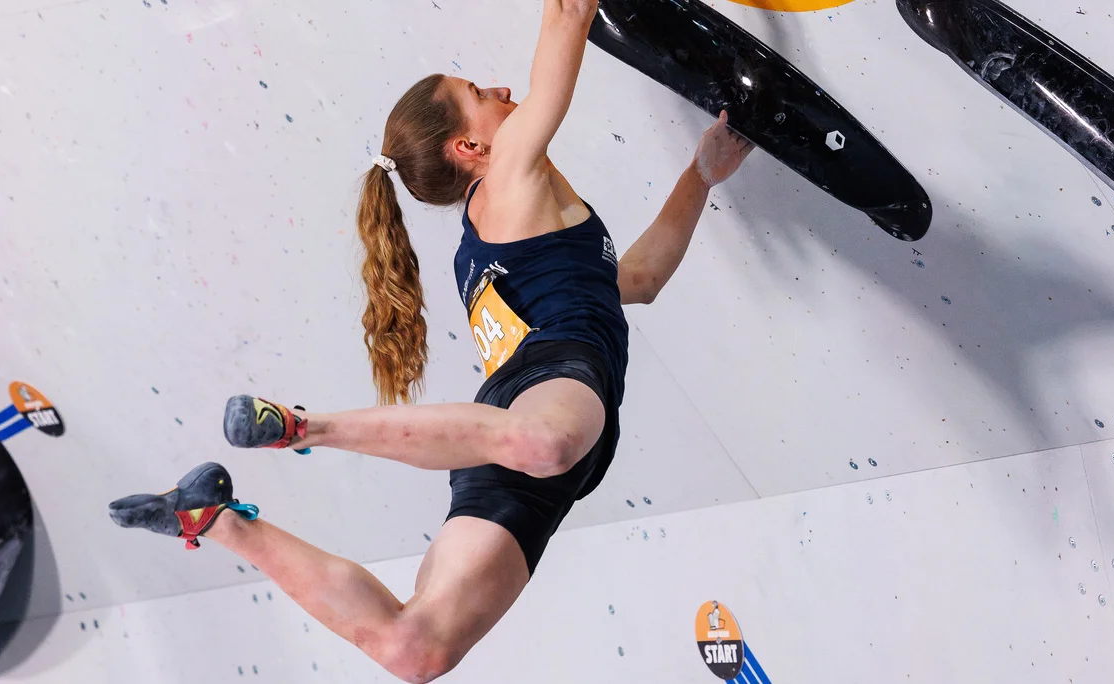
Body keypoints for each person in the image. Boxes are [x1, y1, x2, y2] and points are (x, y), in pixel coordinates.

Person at [107, 1, 753, 681]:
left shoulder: (499, 233)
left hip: (516, 424)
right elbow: (566, 15)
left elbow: (640, 280)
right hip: (548, 386)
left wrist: (699, 175)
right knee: (541, 444)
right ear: (469, 150)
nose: (505, 91)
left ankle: (214, 520)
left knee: (413, 650)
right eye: (480, 95)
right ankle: (302, 426)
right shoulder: (506, 180)